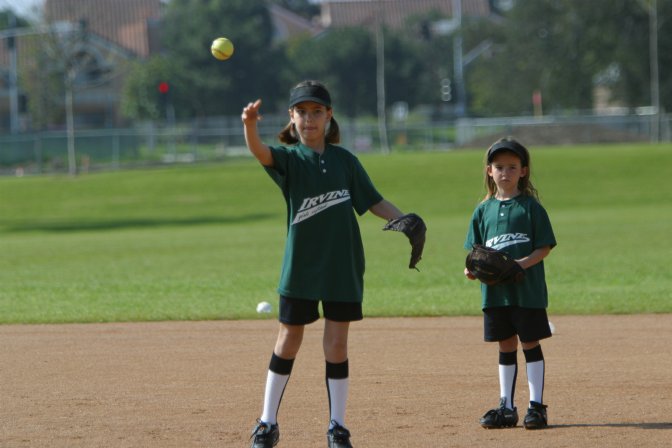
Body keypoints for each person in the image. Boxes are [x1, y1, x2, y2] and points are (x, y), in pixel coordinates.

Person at [242, 80, 407, 448]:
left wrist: (405, 220)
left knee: (336, 345)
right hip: (300, 267)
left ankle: (337, 426)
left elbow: (373, 201)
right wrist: (249, 124)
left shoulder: (345, 161)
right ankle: (267, 423)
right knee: (288, 340)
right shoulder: (289, 160)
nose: (309, 119)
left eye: (317, 112)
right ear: (292, 117)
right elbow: (260, 152)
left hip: (342, 265)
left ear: (329, 116)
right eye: (302, 112)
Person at [463, 137, 557, 430]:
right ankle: (506, 406)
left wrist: (520, 264)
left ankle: (536, 406)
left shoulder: (530, 208)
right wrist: (473, 270)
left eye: (512, 167)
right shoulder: (483, 211)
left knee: (529, 342)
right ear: (489, 171)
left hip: (526, 292)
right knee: (505, 345)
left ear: (524, 171)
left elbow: (544, 247)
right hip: (495, 295)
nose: (505, 172)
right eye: (499, 166)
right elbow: (474, 252)